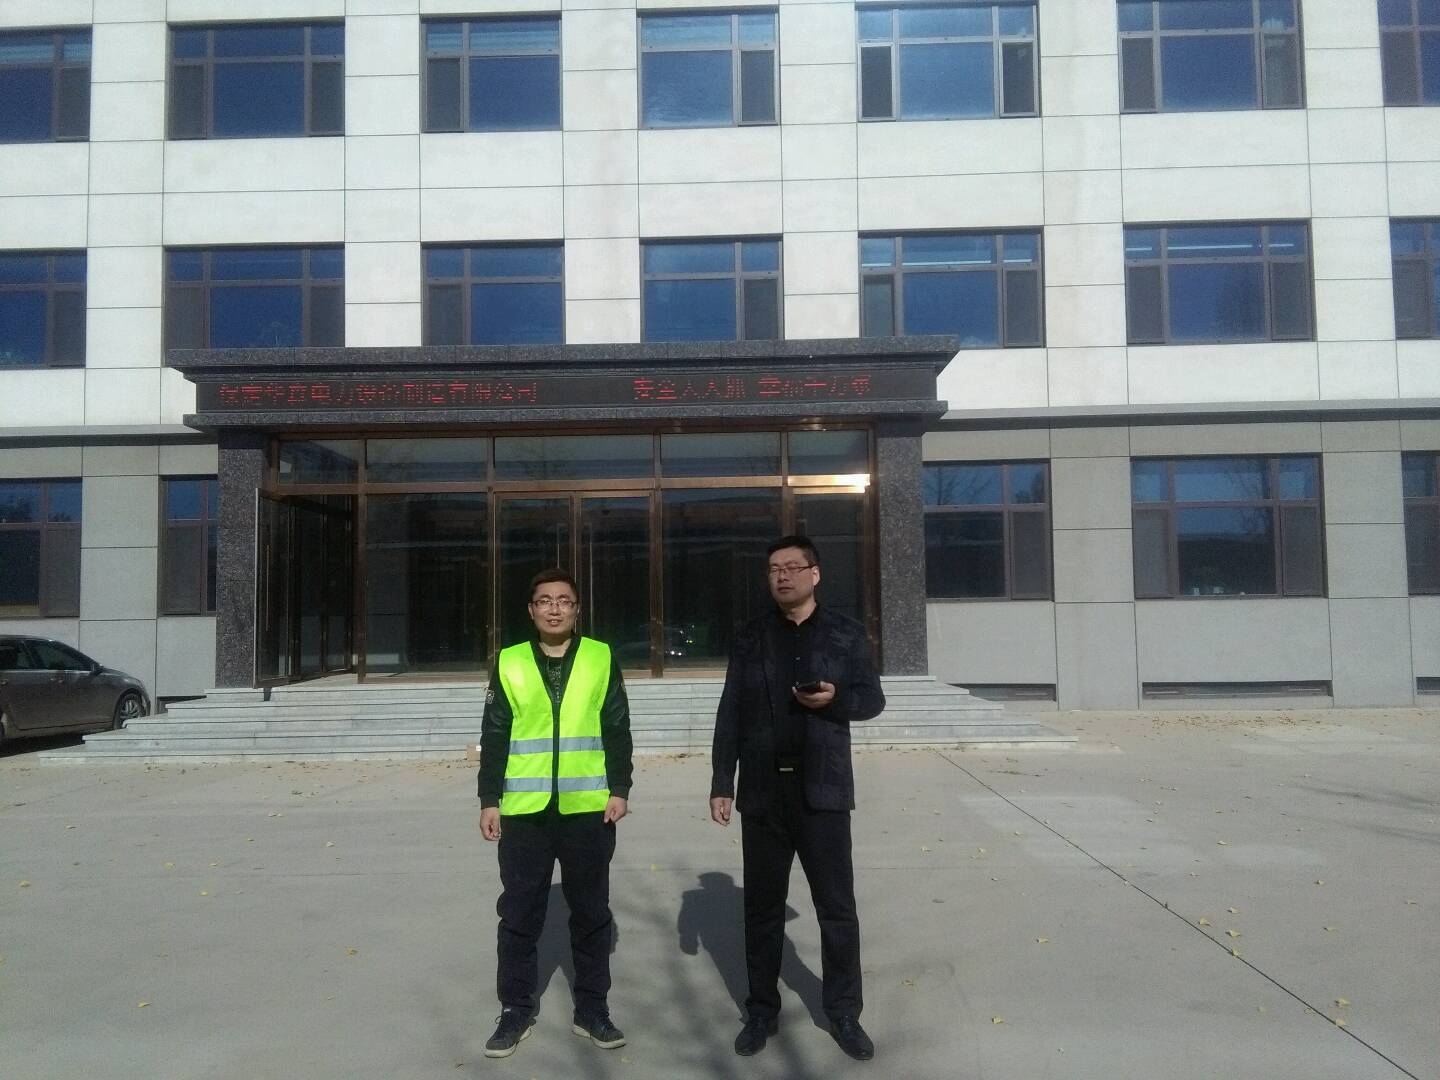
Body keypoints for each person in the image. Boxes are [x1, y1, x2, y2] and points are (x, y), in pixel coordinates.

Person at [709, 535, 886, 1061]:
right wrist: (721, 782)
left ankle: (844, 1012)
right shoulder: (751, 637)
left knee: (837, 909)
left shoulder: (846, 634)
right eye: (773, 569)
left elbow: (872, 700)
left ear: (815, 574)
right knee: (761, 911)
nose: (782, 576)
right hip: (763, 793)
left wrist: (834, 700)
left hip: (823, 792)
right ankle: (761, 1011)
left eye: (792, 567)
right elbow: (730, 711)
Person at [477, 568, 633, 1059]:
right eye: (545, 600)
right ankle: (515, 1010)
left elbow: (617, 727)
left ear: (577, 609)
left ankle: (593, 1010)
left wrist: (620, 788)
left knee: (591, 913)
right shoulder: (509, 661)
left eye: (564, 600)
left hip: (588, 809)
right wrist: (488, 799)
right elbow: (495, 733)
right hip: (525, 813)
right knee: (519, 914)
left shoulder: (600, 657)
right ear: (531, 610)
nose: (554, 608)